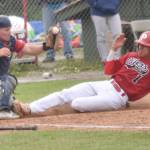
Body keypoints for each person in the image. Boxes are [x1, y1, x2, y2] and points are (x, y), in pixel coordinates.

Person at [13, 31, 150, 117]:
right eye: (139, 44)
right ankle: (29, 108)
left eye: (144, 45)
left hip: (118, 97)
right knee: (65, 93)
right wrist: (113, 49)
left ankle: (54, 111)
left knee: (77, 103)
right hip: (106, 85)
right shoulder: (131, 55)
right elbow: (108, 71)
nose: (140, 47)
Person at [0, 15, 53, 119]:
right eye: (6, 30)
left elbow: (29, 48)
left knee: (10, 80)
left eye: (10, 29)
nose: (9, 32)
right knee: (5, 80)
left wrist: (46, 46)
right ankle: (3, 111)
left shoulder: (10, 41)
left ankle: (7, 104)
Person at [87, 0, 122, 64]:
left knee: (118, 35)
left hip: (113, 12)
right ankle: (105, 60)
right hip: (98, 12)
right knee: (101, 36)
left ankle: (116, 59)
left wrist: (114, 4)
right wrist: (96, 4)